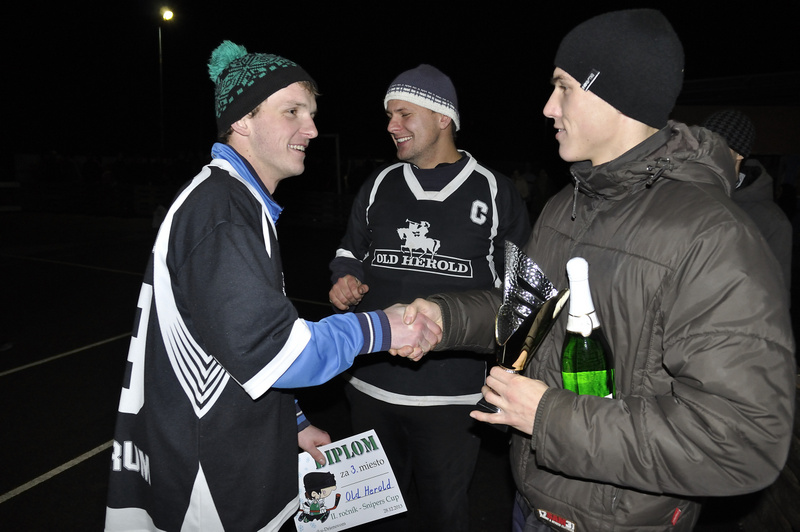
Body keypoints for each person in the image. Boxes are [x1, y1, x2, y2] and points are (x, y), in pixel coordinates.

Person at [398, 9, 796, 531]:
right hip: (531, 506)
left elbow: (742, 440)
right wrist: (445, 318)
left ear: (616, 94)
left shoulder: (711, 236)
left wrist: (548, 417)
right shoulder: (565, 205)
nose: (548, 107)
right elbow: (529, 307)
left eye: (563, 87)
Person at [103, 41, 441, 532]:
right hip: (213, 484)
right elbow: (279, 352)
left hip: (229, 460)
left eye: (311, 114)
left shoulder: (236, 202)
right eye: (292, 112)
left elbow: (233, 348)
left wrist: (293, 422)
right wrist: (383, 328)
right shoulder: (222, 212)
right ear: (242, 120)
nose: (312, 129)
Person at [328, 64, 530, 531]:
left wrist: (509, 375)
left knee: (444, 516)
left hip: (452, 398)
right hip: (368, 387)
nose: (391, 125)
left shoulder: (494, 190)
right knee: (369, 517)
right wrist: (344, 277)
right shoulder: (380, 183)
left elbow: (520, 292)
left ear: (443, 117)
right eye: (388, 115)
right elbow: (349, 251)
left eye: (403, 114)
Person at [702, 109, 792, 292]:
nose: (705, 153)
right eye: (703, 144)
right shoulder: (694, 196)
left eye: (717, 145)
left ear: (739, 154)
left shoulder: (771, 220)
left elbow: (775, 291)